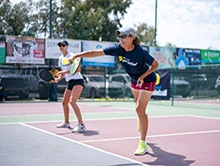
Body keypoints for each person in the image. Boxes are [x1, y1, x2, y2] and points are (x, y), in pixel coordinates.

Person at [69, 28, 159, 155]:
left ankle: (142, 144)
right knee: (137, 104)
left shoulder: (140, 52)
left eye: (124, 36)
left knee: (139, 109)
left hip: (148, 80)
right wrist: (77, 55)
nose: (121, 39)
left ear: (132, 37)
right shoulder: (118, 49)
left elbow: (155, 65)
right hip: (134, 79)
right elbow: (95, 53)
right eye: (120, 37)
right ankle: (141, 117)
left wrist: (142, 76)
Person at [55, 40, 86, 133]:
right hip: (70, 82)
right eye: (59, 45)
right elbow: (62, 72)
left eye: (63, 45)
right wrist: (59, 78)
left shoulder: (72, 56)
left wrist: (64, 72)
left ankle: (81, 125)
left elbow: (78, 69)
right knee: (64, 102)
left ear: (67, 46)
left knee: (72, 102)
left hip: (78, 81)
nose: (61, 47)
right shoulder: (60, 58)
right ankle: (66, 122)